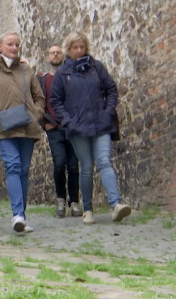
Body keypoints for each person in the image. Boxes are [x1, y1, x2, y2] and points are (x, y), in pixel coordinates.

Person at [50, 31, 131, 225]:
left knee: (104, 161)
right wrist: (68, 121)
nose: (79, 50)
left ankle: (115, 205)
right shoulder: (63, 73)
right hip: (78, 128)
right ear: (68, 50)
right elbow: (56, 101)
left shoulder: (97, 67)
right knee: (86, 167)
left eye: (82, 47)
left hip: (101, 123)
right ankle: (87, 209)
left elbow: (111, 89)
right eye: (75, 47)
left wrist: (108, 111)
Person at [0, 32, 44, 233]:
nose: (14, 48)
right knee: (13, 166)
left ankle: (21, 215)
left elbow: (39, 97)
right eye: (9, 44)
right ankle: (17, 215)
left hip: (27, 126)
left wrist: (36, 114)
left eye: (16, 44)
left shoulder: (25, 69)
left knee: (23, 170)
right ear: (0, 46)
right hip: (3, 128)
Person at [38, 44, 82, 218]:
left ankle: (74, 202)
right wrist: (44, 123)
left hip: (71, 125)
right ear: (47, 57)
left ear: (63, 56)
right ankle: (61, 199)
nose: (55, 55)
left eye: (58, 52)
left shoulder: (70, 76)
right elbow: (36, 102)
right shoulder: (42, 80)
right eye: (52, 52)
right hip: (53, 127)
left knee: (73, 165)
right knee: (59, 163)